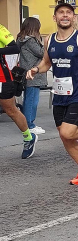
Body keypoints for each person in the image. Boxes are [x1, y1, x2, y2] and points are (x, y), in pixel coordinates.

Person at [27, 3, 78, 184]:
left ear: (73, 17)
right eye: (61, 13)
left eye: (68, 13)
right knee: (64, 135)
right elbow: (47, 63)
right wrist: (35, 69)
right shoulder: (49, 40)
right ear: (55, 18)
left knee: (67, 131)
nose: (65, 16)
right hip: (59, 92)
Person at [0, 23, 38, 159]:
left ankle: (28, 137)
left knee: (10, 110)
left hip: (1, 78)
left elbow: (14, 48)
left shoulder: (0, 28)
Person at [17, 17, 47, 135]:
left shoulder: (21, 39)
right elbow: (41, 53)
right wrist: (44, 42)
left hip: (26, 71)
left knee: (28, 99)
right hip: (34, 73)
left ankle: (27, 123)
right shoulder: (31, 40)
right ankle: (29, 125)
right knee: (32, 101)